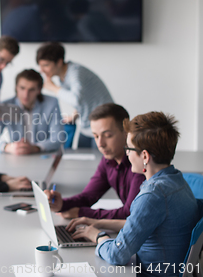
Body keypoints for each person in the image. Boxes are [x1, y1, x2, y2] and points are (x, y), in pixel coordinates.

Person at [68, 112, 201, 276]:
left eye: (128, 148)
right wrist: (97, 222)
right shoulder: (177, 180)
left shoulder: (153, 195)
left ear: (144, 156)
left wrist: (98, 237)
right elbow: (139, 224)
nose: (126, 154)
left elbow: (117, 255)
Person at [45, 103, 144, 219]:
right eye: (96, 136)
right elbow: (88, 197)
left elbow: (129, 213)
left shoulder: (139, 163)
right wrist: (61, 204)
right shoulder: (108, 161)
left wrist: (82, 213)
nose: (100, 144)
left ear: (126, 132)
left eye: (107, 135)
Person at [36, 42, 113, 147]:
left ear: (59, 62)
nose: (42, 70)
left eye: (46, 65)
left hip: (103, 125)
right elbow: (83, 97)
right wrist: (74, 116)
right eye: (40, 66)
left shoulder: (75, 72)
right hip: (88, 125)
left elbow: (76, 99)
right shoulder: (63, 76)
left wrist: (53, 88)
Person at [0, 69, 64, 155]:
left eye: (31, 90)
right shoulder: (6, 106)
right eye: (22, 88)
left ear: (39, 90)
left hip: (42, 156)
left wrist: (36, 148)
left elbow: (59, 138)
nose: (26, 95)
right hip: (16, 157)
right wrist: (7, 147)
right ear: (16, 87)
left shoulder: (51, 103)